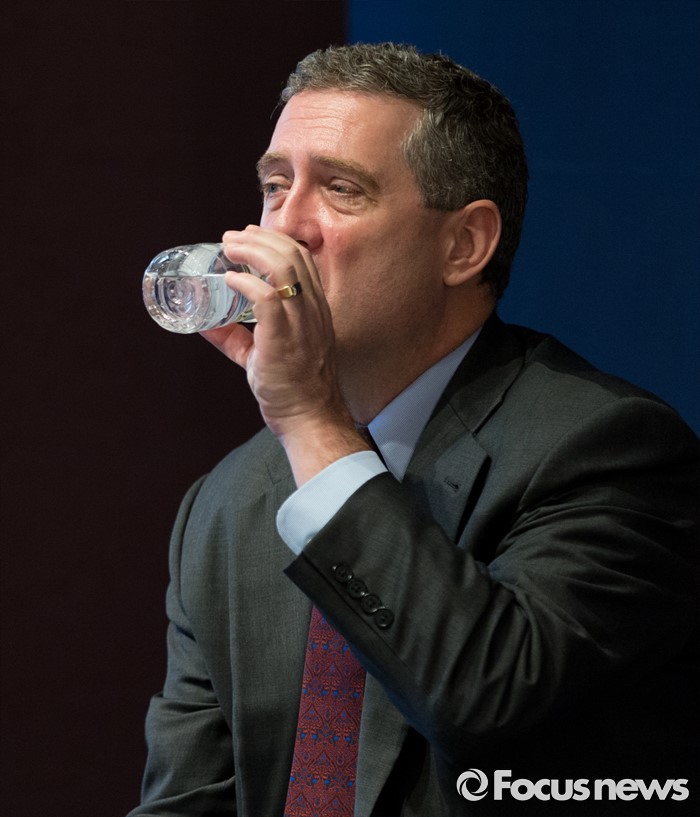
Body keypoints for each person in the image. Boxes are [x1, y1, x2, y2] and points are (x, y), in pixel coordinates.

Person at [128, 43, 699, 817]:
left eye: (340, 188)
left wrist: (312, 421)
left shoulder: (609, 449)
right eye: (274, 185)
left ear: (464, 245)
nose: (286, 226)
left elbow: (489, 699)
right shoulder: (225, 502)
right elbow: (188, 801)